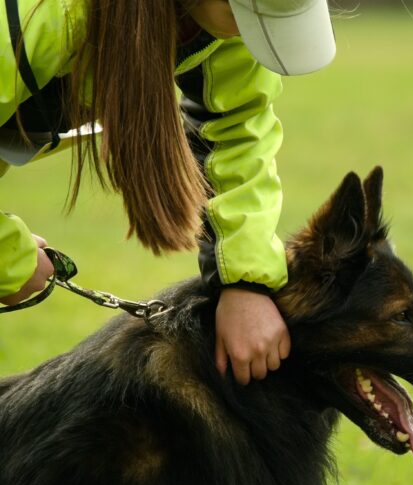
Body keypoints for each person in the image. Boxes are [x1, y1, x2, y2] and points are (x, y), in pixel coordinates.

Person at [0, 0, 336, 384]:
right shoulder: (46, 15)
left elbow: (238, 131)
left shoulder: (225, 28)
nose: (248, 35)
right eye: (242, 16)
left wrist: (246, 284)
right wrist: (8, 257)